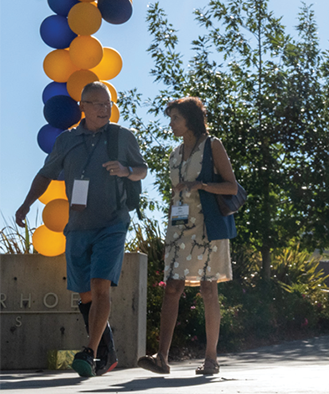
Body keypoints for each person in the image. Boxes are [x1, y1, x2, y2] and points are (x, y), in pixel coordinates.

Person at [16, 81, 147, 377]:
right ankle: (106, 350)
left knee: (101, 286)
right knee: (85, 294)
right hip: (77, 226)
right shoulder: (66, 141)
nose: (104, 109)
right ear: (82, 107)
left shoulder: (122, 137)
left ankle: (89, 351)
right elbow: (45, 174)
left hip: (112, 223)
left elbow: (142, 169)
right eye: (97, 104)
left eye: (108, 104)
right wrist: (25, 204)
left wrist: (127, 171)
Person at [137, 97, 238, 376]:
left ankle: (211, 359)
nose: (170, 124)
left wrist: (201, 185)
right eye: (170, 118)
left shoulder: (212, 145)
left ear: (190, 120)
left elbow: (231, 187)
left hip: (208, 227)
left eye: (175, 118)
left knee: (208, 289)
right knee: (171, 287)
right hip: (179, 229)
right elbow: (175, 191)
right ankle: (162, 358)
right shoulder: (174, 153)